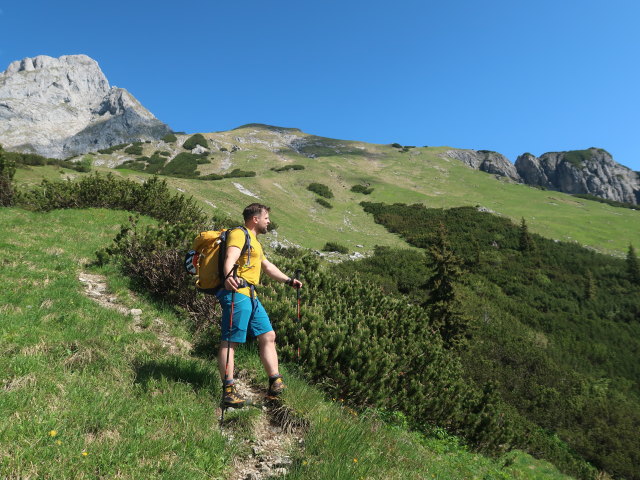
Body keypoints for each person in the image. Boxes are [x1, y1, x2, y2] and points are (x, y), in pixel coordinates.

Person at [217, 203, 302, 408]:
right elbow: (231, 256)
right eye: (266, 218)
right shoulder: (239, 234)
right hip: (238, 293)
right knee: (231, 341)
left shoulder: (254, 241)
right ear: (255, 219)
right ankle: (228, 390)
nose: (268, 221)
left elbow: (266, 266)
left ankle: (275, 383)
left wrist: (288, 280)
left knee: (268, 335)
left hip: (251, 296)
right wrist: (229, 276)